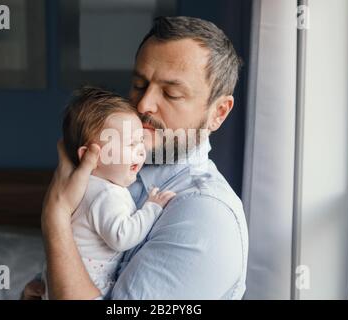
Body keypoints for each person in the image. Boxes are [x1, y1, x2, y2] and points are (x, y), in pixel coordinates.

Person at [23, 16, 248, 300]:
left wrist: (54, 216)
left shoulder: (204, 217)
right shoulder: (108, 170)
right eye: (140, 85)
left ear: (218, 113)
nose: (143, 105)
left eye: (171, 93)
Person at [41, 86, 175, 299]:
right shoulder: (106, 194)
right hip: (88, 282)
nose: (141, 150)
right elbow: (121, 236)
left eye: (140, 141)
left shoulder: (84, 186)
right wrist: (152, 207)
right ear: (91, 156)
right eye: (131, 143)